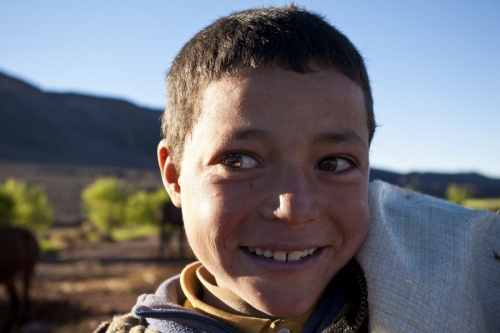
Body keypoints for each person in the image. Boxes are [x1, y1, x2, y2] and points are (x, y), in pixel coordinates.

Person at [94, 5, 500, 333]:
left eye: (333, 163)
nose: (293, 208)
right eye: (238, 160)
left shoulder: (457, 302)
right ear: (174, 175)